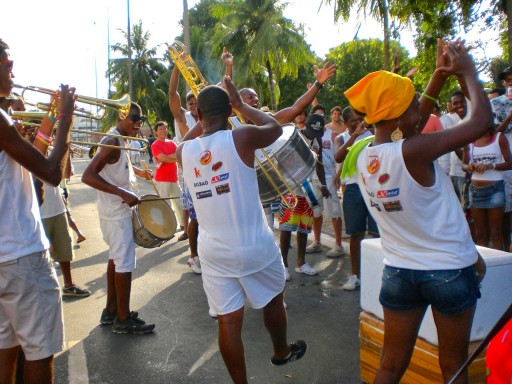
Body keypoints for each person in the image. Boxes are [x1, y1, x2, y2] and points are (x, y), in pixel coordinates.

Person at [341, 40, 490, 383]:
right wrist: (468, 72)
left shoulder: (365, 154)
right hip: (448, 272)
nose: (419, 112)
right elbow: (481, 120)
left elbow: (411, 123)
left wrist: (437, 75)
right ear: (398, 115)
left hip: (399, 275)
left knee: (390, 366)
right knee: (454, 366)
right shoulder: (414, 151)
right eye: (413, 106)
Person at [177, 77, 307, 384]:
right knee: (273, 299)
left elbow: (189, 137)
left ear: (199, 115)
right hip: (253, 246)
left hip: (213, 252)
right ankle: (280, 351)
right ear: (229, 111)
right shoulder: (242, 137)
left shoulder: (185, 151)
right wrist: (241, 105)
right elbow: (275, 127)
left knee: (228, 321)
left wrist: (204, 118)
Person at [0, 38, 76, 384]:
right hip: (21, 253)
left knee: (7, 347)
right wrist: (64, 119)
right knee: (40, 349)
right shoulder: (1, 119)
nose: (13, 73)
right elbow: (51, 172)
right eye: (8, 65)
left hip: (4, 256)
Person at [82, 102, 155, 335]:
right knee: (124, 264)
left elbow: (116, 169)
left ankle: (111, 310)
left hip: (114, 213)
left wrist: (138, 172)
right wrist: (122, 193)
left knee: (116, 259)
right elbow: (88, 175)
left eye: (140, 119)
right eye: (134, 118)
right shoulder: (112, 141)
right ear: (122, 116)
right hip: (115, 215)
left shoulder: (120, 141)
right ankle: (123, 319)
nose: (138, 123)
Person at [334, 107, 379, 291]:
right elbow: (338, 156)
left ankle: (377, 274)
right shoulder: (341, 138)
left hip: (374, 188)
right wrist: (354, 136)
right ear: (345, 123)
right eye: (353, 120)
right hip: (353, 190)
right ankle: (355, 276)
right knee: (356, 234)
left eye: (360, 118)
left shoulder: (374, 134)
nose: (358, 122)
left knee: (376, 234)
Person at [462, 125, 512, 250]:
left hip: (494, 190)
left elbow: (510, 163)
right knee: (480, 233)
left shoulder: (499, 138)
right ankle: (484, 267)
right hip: (475, 190)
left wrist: (491, 166)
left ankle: (498, 265)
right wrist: (468, 167)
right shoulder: (470, 139)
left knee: (496, 232)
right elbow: (463, 164)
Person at [150, 121, 185, 240]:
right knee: (164, 205)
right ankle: (167, 228)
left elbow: (176, 156)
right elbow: (162, 158)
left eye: (164, 129)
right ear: (156, 132)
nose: (163, 131)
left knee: (180, 202)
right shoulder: (155, 145)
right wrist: (172, 157)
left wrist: (168, 158)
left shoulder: (172, 143)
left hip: (174, 178)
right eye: (160, 129)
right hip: (162, 179)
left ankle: (183, 225)